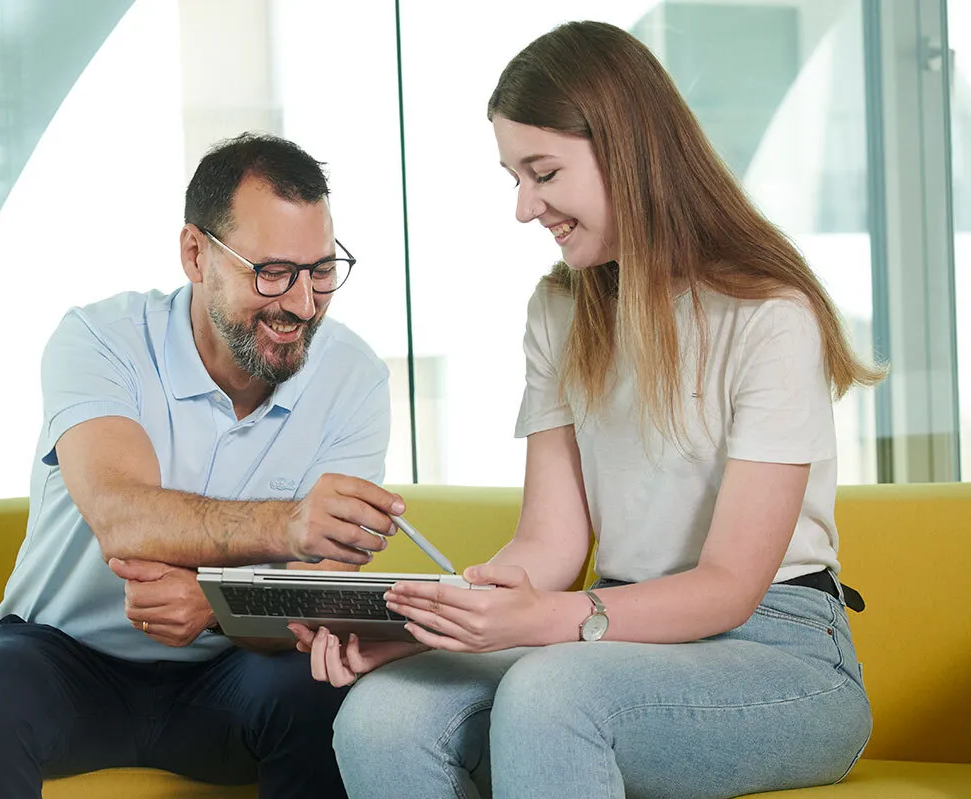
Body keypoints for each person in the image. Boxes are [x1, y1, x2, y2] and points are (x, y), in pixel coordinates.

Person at [291, 20, 884, 799]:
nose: (525, 208)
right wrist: (430, 629)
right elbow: (549, 542)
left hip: (780, 649)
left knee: (555, 697)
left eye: (543, 173)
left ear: (626, 150)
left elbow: (730, 584)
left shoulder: (771, 315)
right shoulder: (560, 309)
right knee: (385, 714)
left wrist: (548, 621)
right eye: (514, 178)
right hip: (612, 635)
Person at [0, 132, 405, 799]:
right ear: (196, 253)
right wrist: (290, 525)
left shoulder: (353, 377)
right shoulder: (99, 340)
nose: (301, 303)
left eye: (321, 270)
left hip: (232, 665)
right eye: (271, 272)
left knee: (320, 693)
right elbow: (124, 513)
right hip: (64, 659)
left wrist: (216, 605)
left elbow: (320, 585)